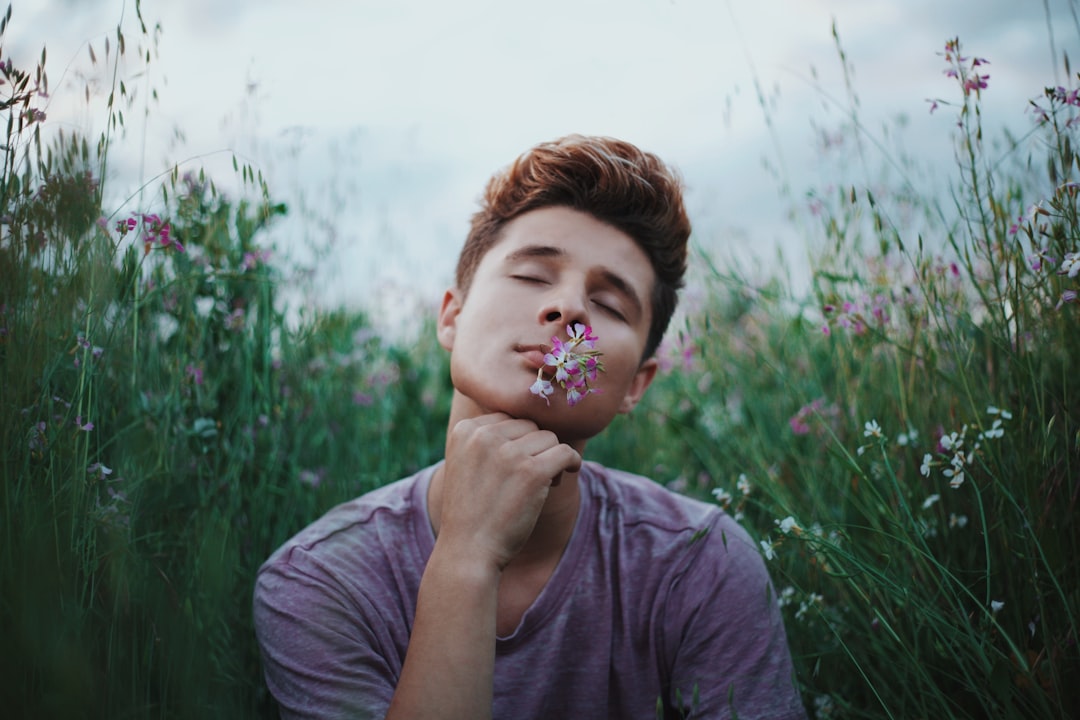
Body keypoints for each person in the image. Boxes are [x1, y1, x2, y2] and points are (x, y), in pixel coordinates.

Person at [253, 135, 807, 719]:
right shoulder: (320, 581)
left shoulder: (701, 564)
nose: (569, 311)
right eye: (532, 276)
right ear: (452, 317)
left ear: (636, 386)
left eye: (610, 306)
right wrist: (467, 556)